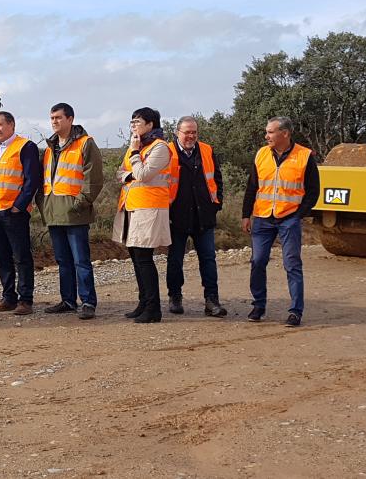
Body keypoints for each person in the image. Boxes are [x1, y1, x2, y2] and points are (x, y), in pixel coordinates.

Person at [241, 116, 320, 327]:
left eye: (270, 132)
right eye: (266, 132)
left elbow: (313, 192)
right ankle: (258, 305)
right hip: (263, 218)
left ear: (284, 133)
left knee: (292, 264)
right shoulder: (261, 154)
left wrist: (298, 215)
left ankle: (295, 311)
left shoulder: (304, 156)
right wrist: (245, 214)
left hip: (289, 219)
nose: (266, 136)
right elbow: (252, 187)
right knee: (257, 261)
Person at [37, 103, 104, 320]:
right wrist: (43, 204)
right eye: (52, 118)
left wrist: (80, 204)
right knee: (63, 261)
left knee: (80, 260)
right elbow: (44, 180)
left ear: (70, 119)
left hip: (75, 213)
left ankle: (87, 302)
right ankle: (67, 300)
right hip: (54, 213)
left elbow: (93, 179)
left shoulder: (85, 143)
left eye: (58, 117)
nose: (54, 121)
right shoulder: (49, 148)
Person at [113, 107, 172, 324]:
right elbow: (120, 173)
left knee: (145, 259)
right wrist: (131, 170)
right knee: (136, 258)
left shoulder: (160, 148)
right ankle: (143, 303)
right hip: (131, 208)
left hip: (150, 209)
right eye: (132, 122)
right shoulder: (136, 147)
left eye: (137, 121)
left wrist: (135, 154)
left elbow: (144, 175)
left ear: (151, 125)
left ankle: (153, 308)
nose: (133, 125)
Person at [165, 116, 227, 318]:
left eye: (194, 132)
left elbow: (217, 178)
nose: (191, 136)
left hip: (203, 215)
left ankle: (212, 301)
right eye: (187, 132)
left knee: (208, 259)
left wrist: (217, 204)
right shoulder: (166, 151)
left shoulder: (207, 150)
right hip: (176, 216)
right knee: (175, 260)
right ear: (177, 132)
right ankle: (175, 297)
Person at [0, 111, 42, 315]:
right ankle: (8, 297)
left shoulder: (25, 146)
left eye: (0, 125)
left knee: (21, 256)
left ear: (11, 125)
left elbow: (32, 178)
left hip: (13, 211)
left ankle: (25, 300)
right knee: (1, 256)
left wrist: (19, 205)